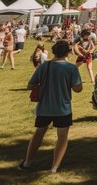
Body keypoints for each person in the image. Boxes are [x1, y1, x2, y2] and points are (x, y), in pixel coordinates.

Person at [19, 40, 83, 173]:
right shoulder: (72, 68)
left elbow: (30, 85)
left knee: (39, 133)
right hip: (63, 108)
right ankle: (54, 167)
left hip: (44, 107)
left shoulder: (44, 66)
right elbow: (78, 89)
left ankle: (27, 162)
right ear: (68, 52)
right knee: (62, 137)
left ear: (54, 51)